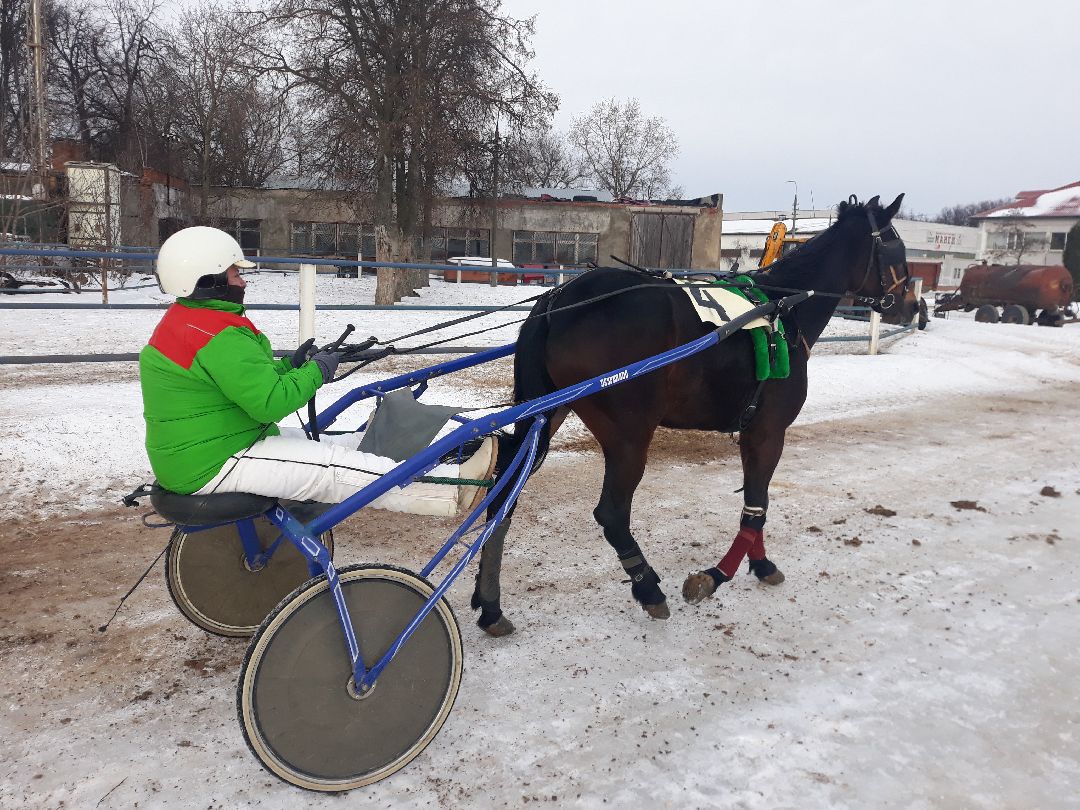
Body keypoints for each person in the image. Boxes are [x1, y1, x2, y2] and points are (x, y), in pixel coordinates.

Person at [139, 226, 495, 518]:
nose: (243, 281)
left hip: (209, 449)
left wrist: (289, 366)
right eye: (235, 273)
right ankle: (453, 487)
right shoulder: (214, 333)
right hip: (215, 461)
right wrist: (316, 373)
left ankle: (386, 452)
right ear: (209, 278)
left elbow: (236, 384)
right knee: (333, 467)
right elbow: (269, 402)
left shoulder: (191, 323)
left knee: (335, 445)